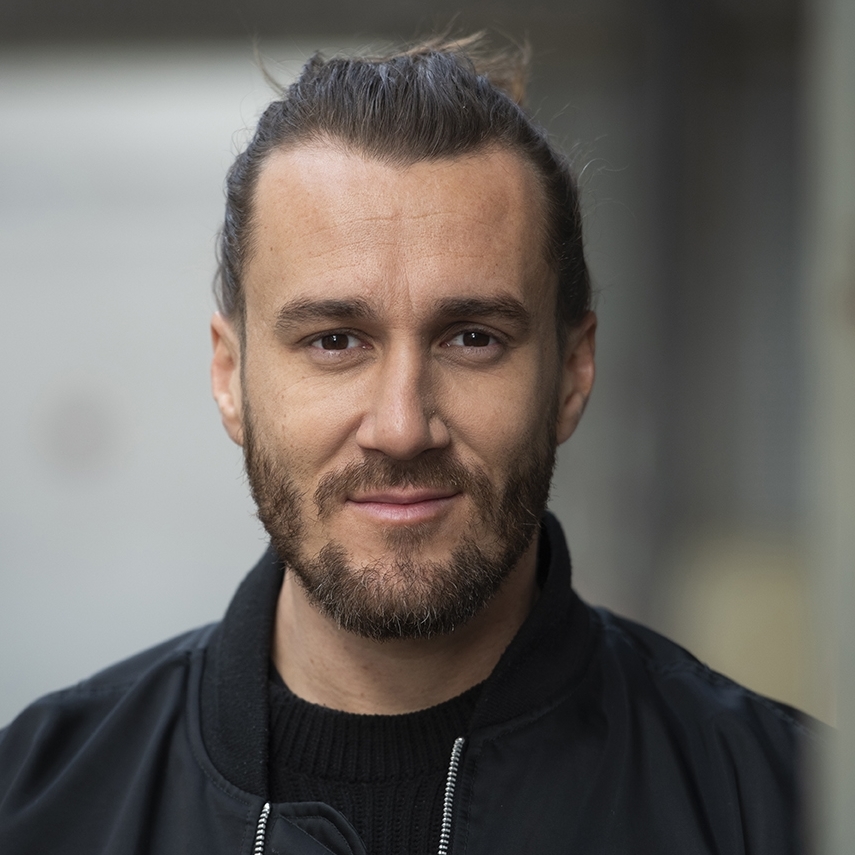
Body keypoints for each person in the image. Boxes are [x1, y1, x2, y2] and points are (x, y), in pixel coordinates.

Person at [0, 36, 819, 855]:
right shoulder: (35, 805)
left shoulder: (792, 808)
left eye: (471, 337)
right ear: (229, 375)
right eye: (333, 340)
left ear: (571, 372)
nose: (399, 427)